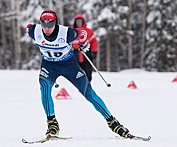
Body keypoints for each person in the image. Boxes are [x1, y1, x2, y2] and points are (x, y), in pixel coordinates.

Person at [26, 10, 130, 138]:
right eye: (44, 25)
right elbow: (28, 27)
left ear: (56, 23)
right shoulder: (33, 31)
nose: (47, 28)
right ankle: (52, 124)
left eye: (50, 25)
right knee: (44, 88)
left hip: (69, 66)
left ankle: (113, 123)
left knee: (88, 93)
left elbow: (84, 32)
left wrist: (83, 42)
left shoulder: (66, 33)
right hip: (49, 66)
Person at [72, 14, 98, 82]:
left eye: (80, 21)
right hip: (76, 54)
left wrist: (94, 51)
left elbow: (94, 41)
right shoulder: (71, 32)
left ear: (83, 22)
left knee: (88, 72)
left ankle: (87, 84)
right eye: (77, 21)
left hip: (87, 54)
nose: (79, 23)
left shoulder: (89, 31)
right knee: (77, 73)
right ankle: (80, 85)